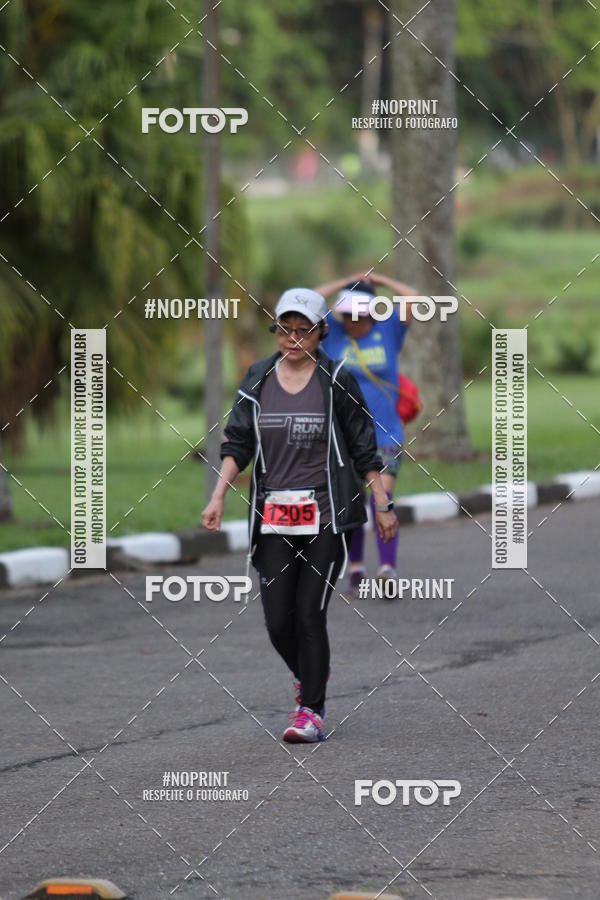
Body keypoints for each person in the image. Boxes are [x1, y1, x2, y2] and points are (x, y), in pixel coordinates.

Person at [201, 287, 398, 743]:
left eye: (303, 331)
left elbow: (362, 446)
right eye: (284, 329)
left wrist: (382, 503)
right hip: (273, 517)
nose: (292, 339)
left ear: (321, 332)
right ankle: (312, 674)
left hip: (326, 516)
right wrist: (218, 496)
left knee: (310, 613)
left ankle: (311, 710)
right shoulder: (257, 377)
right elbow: (238, 443)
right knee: (277, 621)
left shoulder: (337, 379)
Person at [316, 271, 416, 595]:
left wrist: (381, 280)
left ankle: (387, 569)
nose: (353, 320)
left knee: (381, 496)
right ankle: (356, 568)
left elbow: (412, 297)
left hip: (385, 434)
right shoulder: (330, 334)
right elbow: (308, 299)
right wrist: (347, 280)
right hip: (344, 435)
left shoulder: (389, 330)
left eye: (359, 314)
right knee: (354, 502)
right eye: (347, 313)